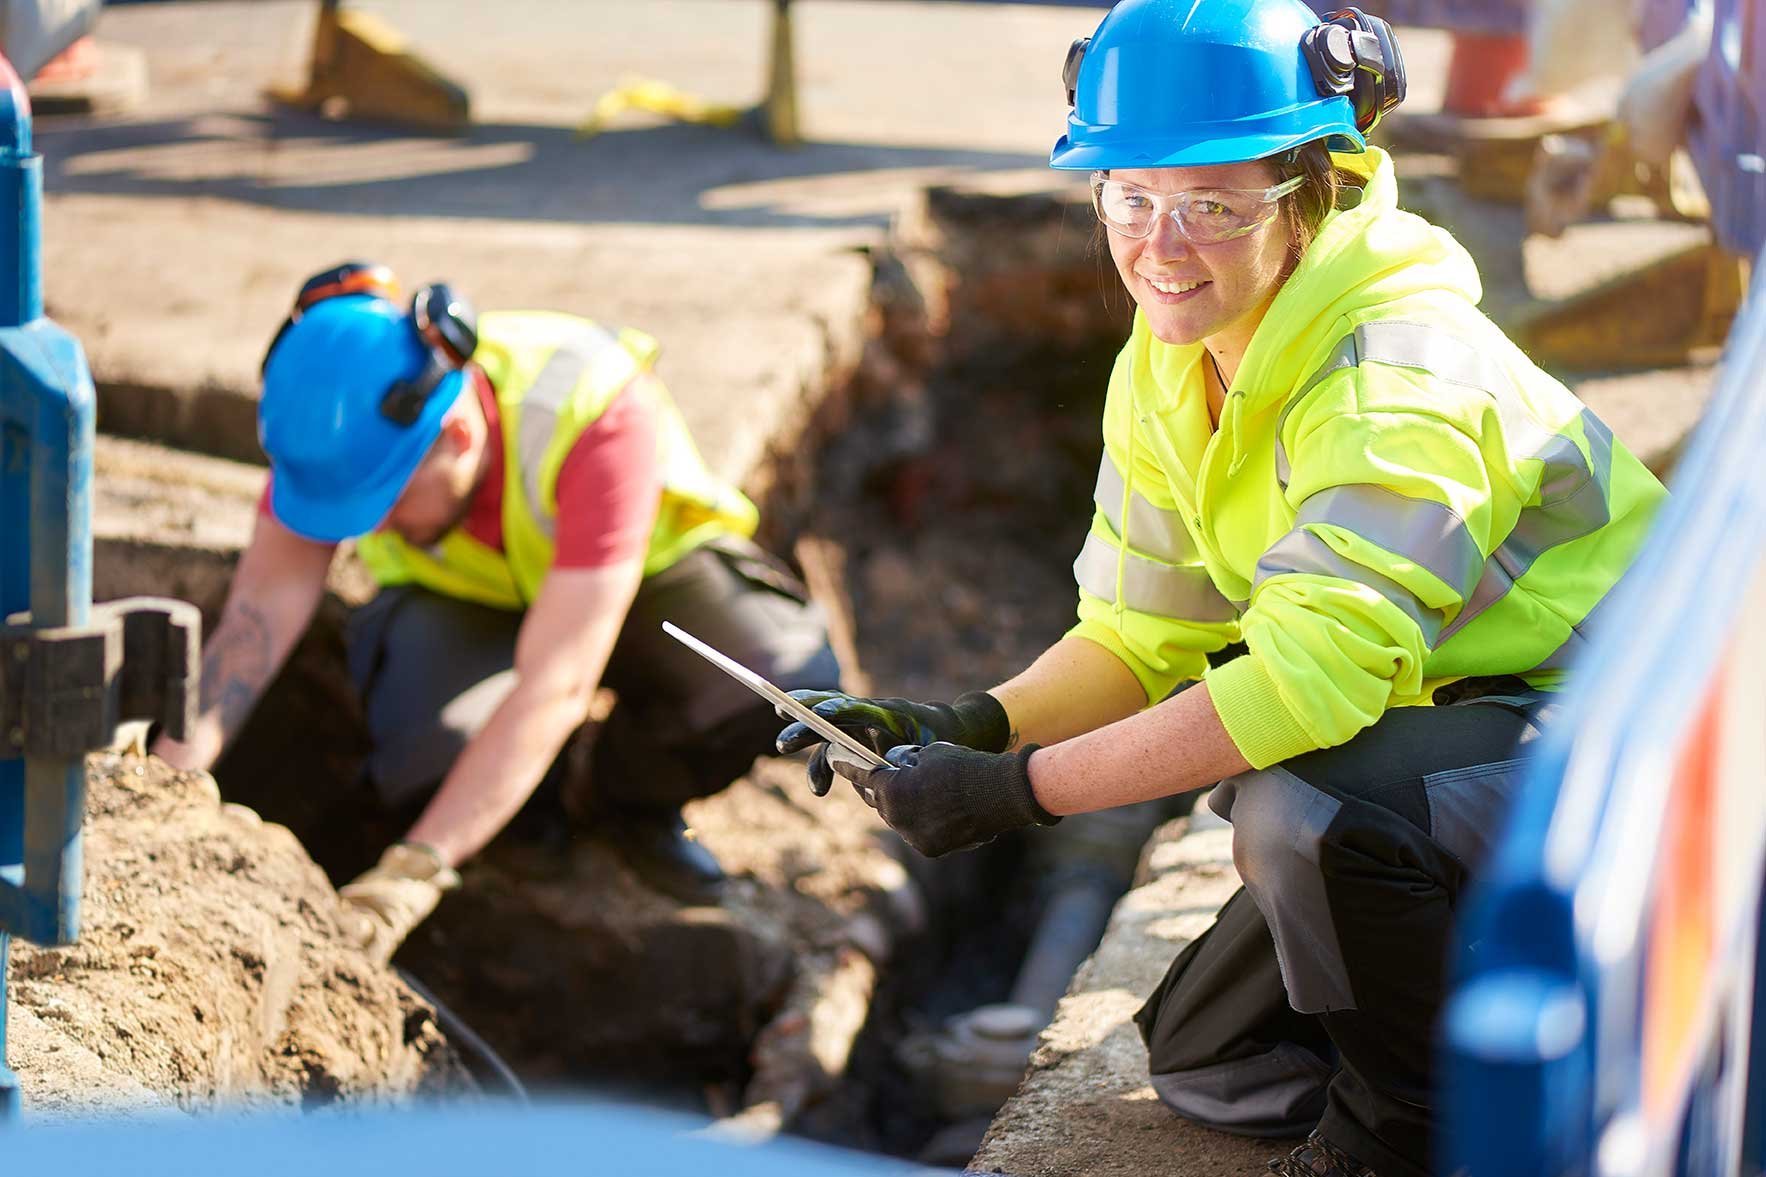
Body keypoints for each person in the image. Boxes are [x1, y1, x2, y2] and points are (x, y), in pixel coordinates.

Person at [775, 3, 1666, 1175]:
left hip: (1639, 744)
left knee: (1305, 808)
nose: (1161, 244)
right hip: (1468, 740)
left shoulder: (1392, 377)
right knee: (1209, 1065)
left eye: (1213, 204)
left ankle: (1418, 1136)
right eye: (1128, 197)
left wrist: (1016, 791)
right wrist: (967, 725)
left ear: (1312, 192)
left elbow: (1306, 689)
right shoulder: (1172, 355)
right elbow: (1143, 630)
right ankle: (1501, 1010)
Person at [155, 261, 840, 959]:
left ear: (453, 434)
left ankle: (620, 799)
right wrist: (162, 787)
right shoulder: (338, 433)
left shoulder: (589, 407)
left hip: (638, 589)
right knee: (430, 745)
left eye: (383, 506)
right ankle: (522, 824)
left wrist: (414, 869)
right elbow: (258, 615)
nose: (373, 528)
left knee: (774, 678)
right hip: (468, 603)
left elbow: (557, 684)